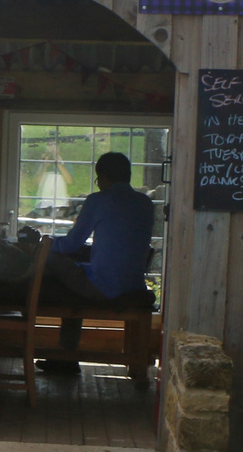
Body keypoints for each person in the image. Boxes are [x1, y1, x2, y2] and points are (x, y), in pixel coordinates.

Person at [37, 152, 156, 372]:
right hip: (133, 286)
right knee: (76, 280)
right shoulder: (145, 204)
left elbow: (71, 244)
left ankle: (61, 351)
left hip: (105, 288)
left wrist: (43, 244)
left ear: (102, 178)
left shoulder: (98, 200)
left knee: (52, 259)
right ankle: (66, 357)